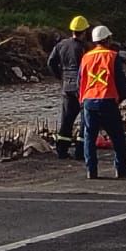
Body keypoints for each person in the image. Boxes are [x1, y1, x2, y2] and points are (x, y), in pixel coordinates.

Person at [78, 24, 126, 180]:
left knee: (89, 138)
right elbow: (120, 81)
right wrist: (120, 98)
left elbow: (81, 81)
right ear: (107, 39)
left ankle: (91, 171)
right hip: (108, 100)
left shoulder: (86, 57)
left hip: (89, 101)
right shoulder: (113, 56)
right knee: (117, 136)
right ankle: (121, 169)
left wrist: (82, 100)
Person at [47, 14, 92, 160]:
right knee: (85, 120)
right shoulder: (84, 48)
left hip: (67, 86)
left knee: (66, 120)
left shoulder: (61, 45)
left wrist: (60, 77)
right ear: (84, 31)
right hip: (82, 87)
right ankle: (80, 151)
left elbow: (51, 62)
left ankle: (62, 150)